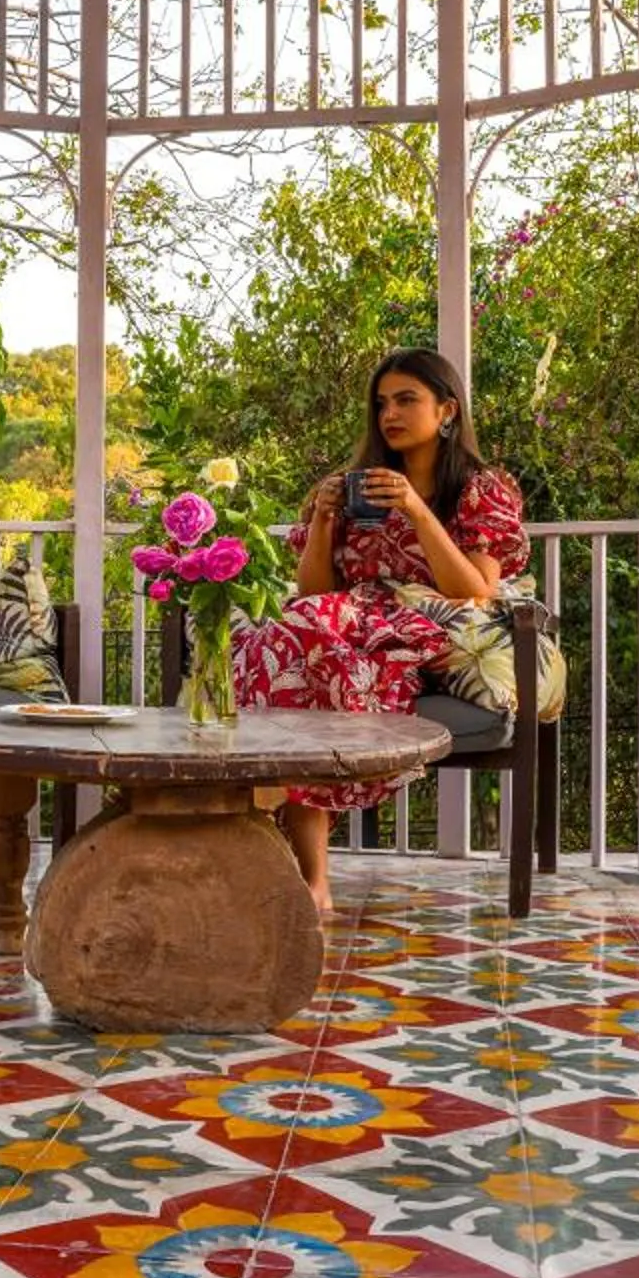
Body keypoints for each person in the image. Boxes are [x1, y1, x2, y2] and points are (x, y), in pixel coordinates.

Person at [234, 346, 528, 910]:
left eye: (406, 400)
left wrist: (417, 511)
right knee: (291, 643)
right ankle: (310, 879)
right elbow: (314, 594)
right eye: (381, 402)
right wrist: (322, 523)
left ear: (447, 411)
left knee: (303, 644)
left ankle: (265, 815)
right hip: (338, 625)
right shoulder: (353, 486)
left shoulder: (480, 488)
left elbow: (473, 589)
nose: (389, 413)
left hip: (428, 626)